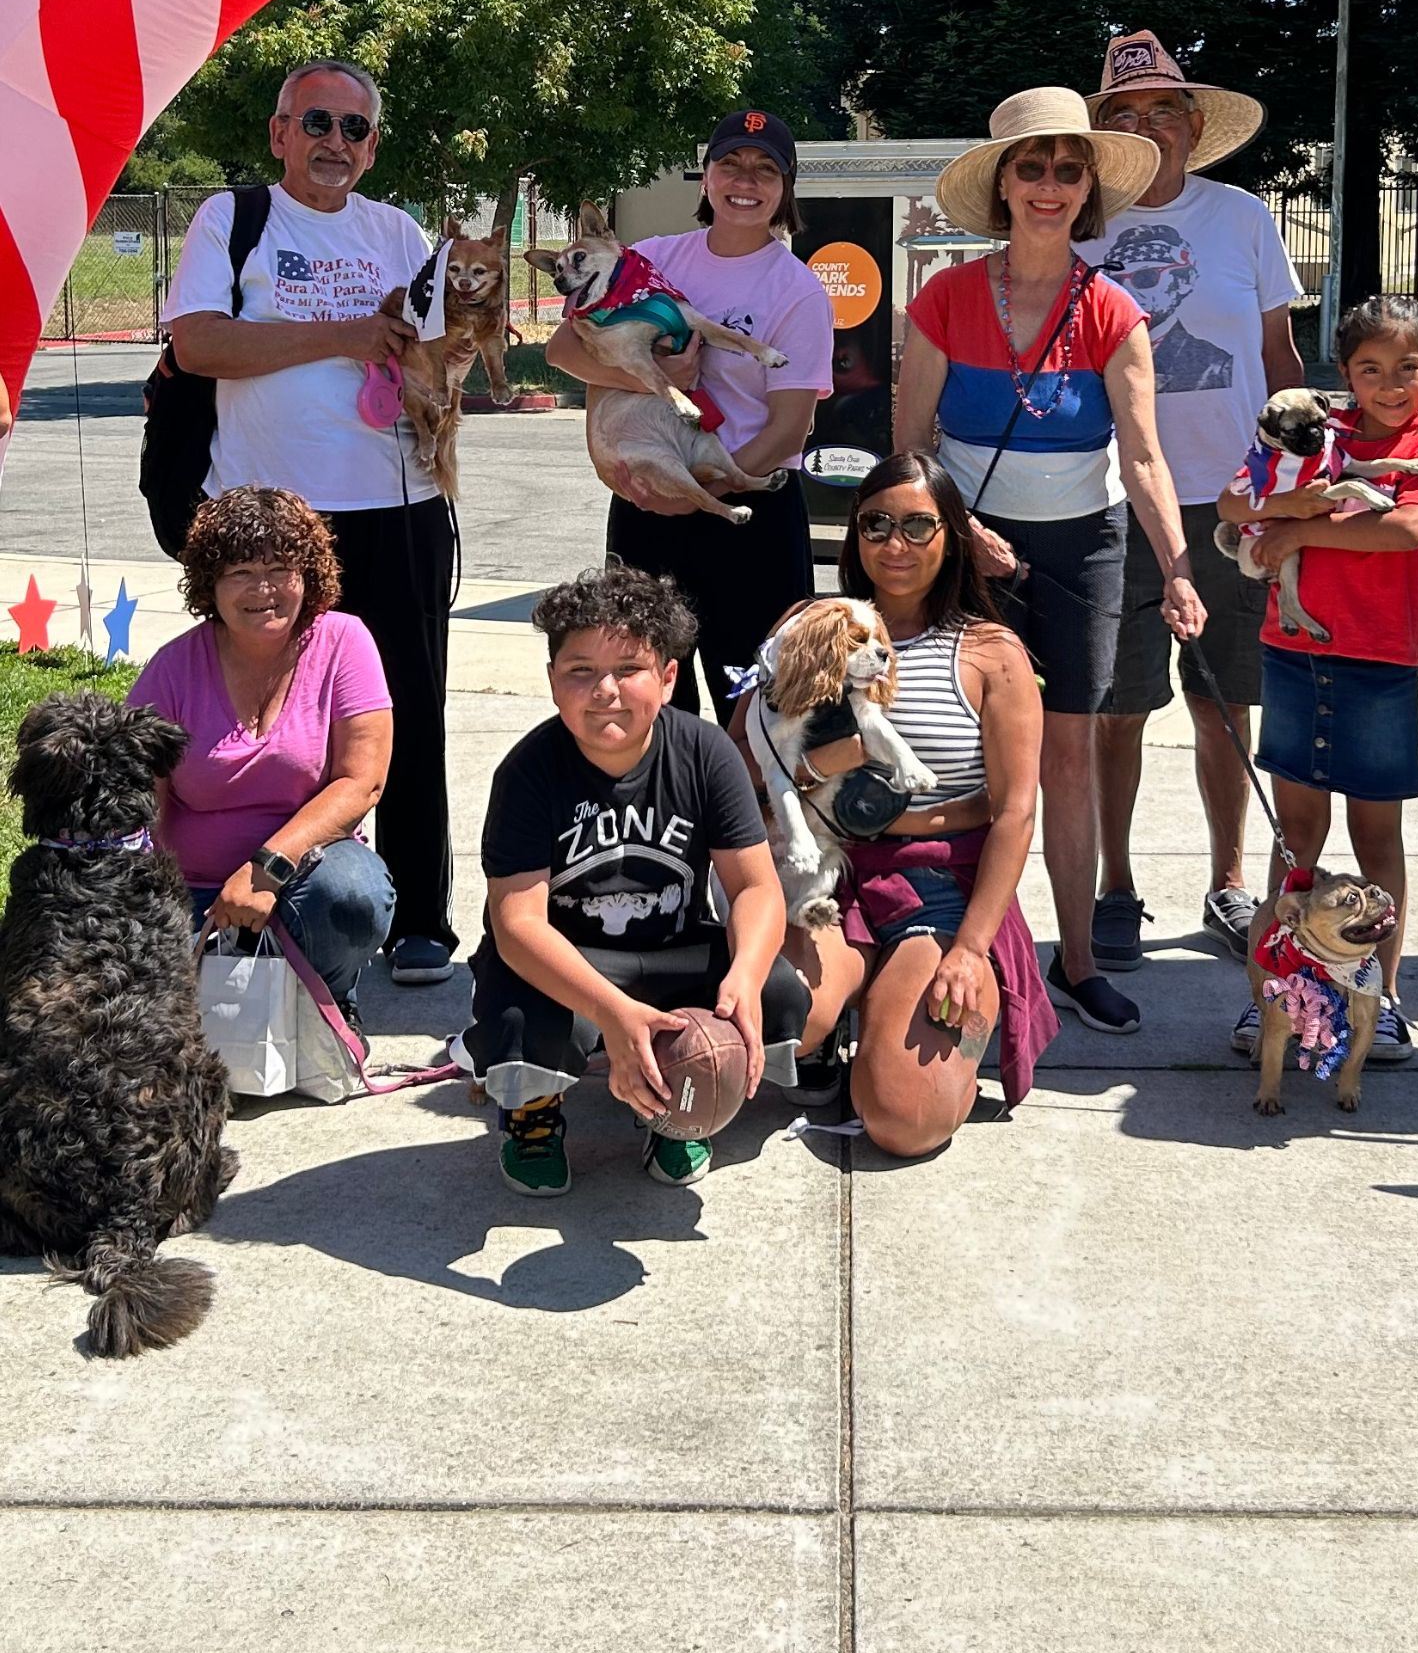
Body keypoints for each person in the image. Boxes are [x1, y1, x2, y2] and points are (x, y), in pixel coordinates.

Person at [895, 87, 1204, 1039]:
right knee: (954, 751)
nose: (1050, 185)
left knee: (1067, 752)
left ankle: (1073, 961)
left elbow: (1145, 456)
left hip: (1085, 548)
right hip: (969, 550)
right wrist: (957, 529)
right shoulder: (944, 299)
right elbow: (907, 449)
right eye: (1032, 167)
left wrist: (1180, 569)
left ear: (1088, 192)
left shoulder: (1112, 309)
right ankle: (949, 940)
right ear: (1001, 184)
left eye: (1069, 170)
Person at [164, 57, 456, 987]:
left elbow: (436, 344)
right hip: (272, 523)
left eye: (355, 129)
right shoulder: (234, 218)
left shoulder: (398, 230)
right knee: (256, 718)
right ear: (280, 133)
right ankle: (248, 881)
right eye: (318, 123)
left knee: (406, 715)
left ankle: (415, 915)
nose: (336, 143)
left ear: (373, 148)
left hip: (397, 508)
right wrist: (343, 335)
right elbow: (198, 341)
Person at [455, 565, 809, 1197]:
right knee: (515, 1016)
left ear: (670, 678)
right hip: (571, 959)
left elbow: (755, 889)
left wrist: (745, 978)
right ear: (553, 682)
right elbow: (518, 926)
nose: (605, 691)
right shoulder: (529, 772)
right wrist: (611, 1014)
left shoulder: (705, 752)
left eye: (629, 669)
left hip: (672, 948)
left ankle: (681, 1109)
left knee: (780, 991)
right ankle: (532, 1113)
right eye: (581, 670)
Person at [736, 454, 1055, 1154]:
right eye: (876, 524)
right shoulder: (811, 622)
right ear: (853, 536)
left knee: (904, 1120)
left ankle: (907, 1028)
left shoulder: (990, 652)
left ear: (953, 536)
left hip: (937, 882)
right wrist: (825, 764)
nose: (894, 543)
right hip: (825, 870)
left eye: (917, 525)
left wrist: (971, 949)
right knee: (772, 1019)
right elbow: (746, 760)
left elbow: (1013, 814)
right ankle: (839, 1022)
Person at [1081, 30, 1304, 970]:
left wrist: (1296, 493)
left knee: (1225, 709)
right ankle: (1116, 888)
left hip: (1232, 504)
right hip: (1108, 503)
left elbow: (1281, 364)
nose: (1145, 128)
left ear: (1192, 123)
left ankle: (1228, 883)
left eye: (1160, 111)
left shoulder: (1244, 219)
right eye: (1122, 117)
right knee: (1117, 708)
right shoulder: (1078, 225)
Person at [1219, 294, 1418, 1065]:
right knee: (1296, 836)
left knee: (1373, 836)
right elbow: (1231, 501)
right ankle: (1273, 996)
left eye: (1407, 369)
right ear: (1344, 377)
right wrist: (1274, 505)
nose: (1389, 385)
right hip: (1293, 651)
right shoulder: (1311, 432)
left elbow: (1407, 527)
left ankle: (1377, 998)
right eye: (1369, 370)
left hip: (1380, 662)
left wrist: (1295, 527)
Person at [545, 109, 834, 719]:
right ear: (705, 177)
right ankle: (666, 815)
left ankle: (749, 816)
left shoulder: (799, 290)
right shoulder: (649, 259)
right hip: (646, 505)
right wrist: (646, 377)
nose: (745, 181)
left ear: (785, 190)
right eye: (729, 164)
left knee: (758, 705)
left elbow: (789, 427)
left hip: (749, 515)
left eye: (765, 170)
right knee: (645, 696)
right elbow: (562, 349)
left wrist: (696, 489)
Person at [128, 486, 395, 1029]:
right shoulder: (172, 669)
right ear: (210, 585)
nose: (263, 589)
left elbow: (362, 782)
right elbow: (136, 804)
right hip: (189, 891)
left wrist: (266, 869)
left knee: (354, 895)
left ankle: (326, 1003)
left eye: (279, 568)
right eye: (240, 572)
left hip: (305, 879)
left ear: (309, 574)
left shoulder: (345, 641)